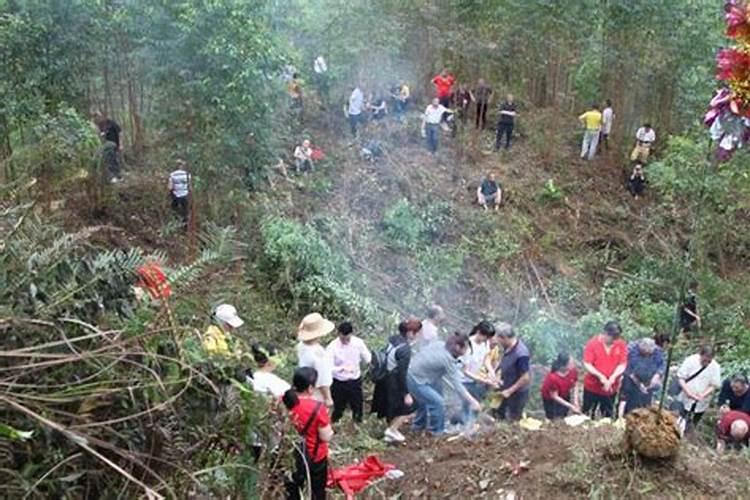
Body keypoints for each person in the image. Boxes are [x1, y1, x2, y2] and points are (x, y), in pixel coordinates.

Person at [407, 334, 482, 435]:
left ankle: (418, 426)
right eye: (465, 348)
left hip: (420, 374)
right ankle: (436, 433)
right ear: (457, 347)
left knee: (426, 400)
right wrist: (473, 402)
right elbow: (457, 385)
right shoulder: (447, 359)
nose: (466, 352)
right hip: (416, 379)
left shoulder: (440, 344)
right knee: (437, 402)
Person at [283, 367, 333, 500]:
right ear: (310, 388)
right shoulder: (317, 407)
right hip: (314, 455)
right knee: (317, 490)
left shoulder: (284, 400)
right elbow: (325, 436)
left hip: (289, 453)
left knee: (293, 487)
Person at [372, 318, 421, 442]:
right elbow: (401, 373)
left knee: (392, 407)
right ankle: (392, 430)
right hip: (393, 381)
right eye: (417, 332)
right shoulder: (405, 349)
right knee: (411, 406)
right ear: (410, 332)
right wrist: (406, 394)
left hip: (385, 378)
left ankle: (389, 435)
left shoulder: (393, 339)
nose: (418, 336)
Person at [326, 321, 372, 423]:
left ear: (351, 334)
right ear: (339, 334)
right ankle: (334, 423)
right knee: (338, 406)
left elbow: (368, 358)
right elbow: (327, 367)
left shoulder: (358, 343)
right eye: (343, 339)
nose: (346, 341)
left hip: (354, 380)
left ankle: (357, 424)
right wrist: (341, 368)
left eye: (348, 338)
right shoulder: (332, 347)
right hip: (339, 381)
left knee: (357, 405)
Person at [582, 321, 628, 418]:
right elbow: (587, 364)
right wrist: (601, 376)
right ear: (605, 333)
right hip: (592, 387)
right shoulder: (592, 344)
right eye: (612, 339)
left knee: (607, 414)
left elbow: (622, 364)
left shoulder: (621, 344)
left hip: (611, 388)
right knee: (588, 413)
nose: (614, 342)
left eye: (616, 339)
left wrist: (613, 377)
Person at [459, 321, 499, 423]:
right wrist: (485, 380)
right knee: (466, 405)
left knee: (474, 404)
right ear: (479, 332)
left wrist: (491, 373)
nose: (487, 340)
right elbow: (465, 371)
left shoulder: (485, 343)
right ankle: (464, 426)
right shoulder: (468, 345)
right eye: (486, 337)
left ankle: (470, 424)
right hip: (463, 380)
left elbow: (486, 359)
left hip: (474, 380)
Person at [674, 345, 721, 428]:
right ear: (700, 355)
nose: (706, 363)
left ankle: (690, 431)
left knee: (694, 420)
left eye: (709, 361)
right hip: (685, 395)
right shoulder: (690, 360)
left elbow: (714, 385)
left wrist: (703, 394)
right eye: (704, 360)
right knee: (679, 417)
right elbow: (681, 378)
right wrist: (688, 392)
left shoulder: (715, 367)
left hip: (702, 400)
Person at [493, 322, 531, 421]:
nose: (497, 341)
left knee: (513, 418)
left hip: (517, 392)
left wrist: (509, 391)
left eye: (499, 338)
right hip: (505, 386)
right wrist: (497, 375)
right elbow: (504, 360)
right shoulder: (507, 346)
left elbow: (525, 377)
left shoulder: (521, 354)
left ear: (505, 337)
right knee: (497, 412)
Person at [296, 313, 335, 407]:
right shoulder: (318, 354)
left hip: (303, 387)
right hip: (316, 390)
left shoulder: (301, 346)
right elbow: (323, 379)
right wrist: (328, 398)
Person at [618, 338, 664, 416]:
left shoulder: (657, 351)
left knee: (645, 403)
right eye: (644, 353)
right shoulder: (631, 350)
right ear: (640, 349)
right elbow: (629, 371)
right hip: (631, 380)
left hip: (648, 380)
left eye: (649, 354)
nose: (647, 355)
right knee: (630, 401)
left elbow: (661, 365)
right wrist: (639, 384)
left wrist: (656, 376)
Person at [540, 353, 580, 419]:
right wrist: (571, 406)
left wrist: (576, 401)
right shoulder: (553, 378)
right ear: (563, 366)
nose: (574, 364)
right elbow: (554, 396)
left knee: (564, 413)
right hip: (551, 400)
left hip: (564, 394)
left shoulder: (572, 371)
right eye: (571, 363)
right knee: (554, 418)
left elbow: (575, 384)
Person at [95, 112, 123, 183]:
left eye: (98, 116)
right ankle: (112, 177)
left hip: (114, 144)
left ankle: (117, 176)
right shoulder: (100, 126)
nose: (98, 119)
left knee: (114, 160)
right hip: (107, 147)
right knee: (108, 160)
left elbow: (120, 133)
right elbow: (101, 137)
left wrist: (121, 144)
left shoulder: (111, 123)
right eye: (96, 117)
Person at [168, 160, 190, 226]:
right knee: (185, 210)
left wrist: (171, 193)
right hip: (185, 195)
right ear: (182, 166)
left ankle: (176, 223)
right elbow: (190, 186)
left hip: (176, 195)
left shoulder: (172, 174)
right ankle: (185, 224)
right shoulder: (187, 174)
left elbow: (170, 187)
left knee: (175, 209)